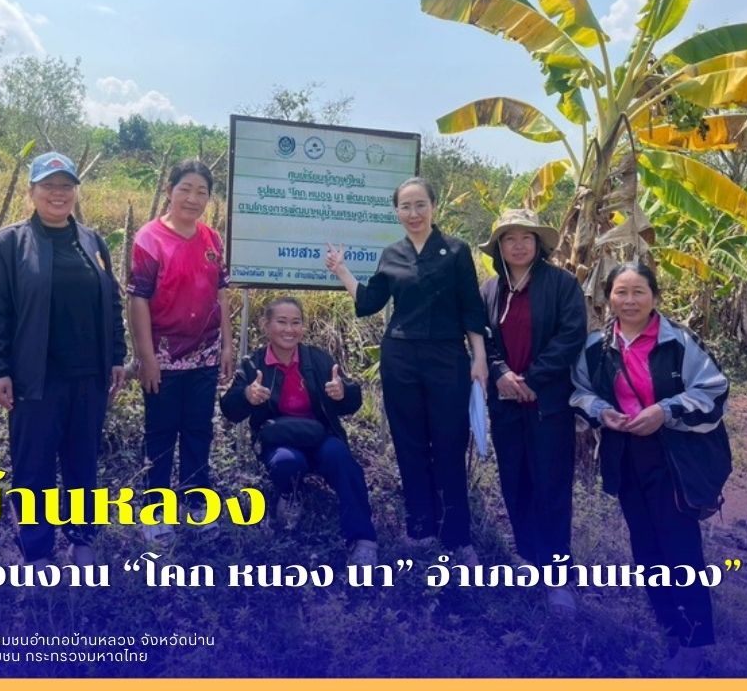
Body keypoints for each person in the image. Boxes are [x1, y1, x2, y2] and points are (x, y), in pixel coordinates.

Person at [571, 262, 731, 676]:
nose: (629, 301)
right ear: (608, 298)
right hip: (626, 454)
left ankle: (697, 641)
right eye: (620, 292)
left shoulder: (678, 342)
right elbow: (580, 390)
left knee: (680, 546)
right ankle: (669, 627)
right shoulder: (597, 346)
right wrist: (603, 412)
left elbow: (714, 388)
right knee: (645, 546)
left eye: (638, 291)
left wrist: (665, 410)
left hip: (671, 455)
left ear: (654, 296)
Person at [325, 177, 487, 563]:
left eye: (420, 205)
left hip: (448, 357)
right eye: (405, 207)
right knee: (409, 442)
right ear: (396, 211)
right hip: (401, 357)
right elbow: (370, 301)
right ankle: (421, 527)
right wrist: (341, 271)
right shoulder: (392, 254)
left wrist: (478, 357)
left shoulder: (456, 251)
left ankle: (458, 536)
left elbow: (471, 309)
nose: (413, 213)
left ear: (433, 206)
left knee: (449, 442)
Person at [0, 151, 126, 567]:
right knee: (34, 467)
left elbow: (111, 303)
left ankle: (82, 540)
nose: (58, 195)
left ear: (76, 193)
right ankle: (38, 550)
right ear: (32, 192)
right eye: (49, 186)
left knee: (83, 461)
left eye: (66, 187)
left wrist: (116, 356)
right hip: (34, 378)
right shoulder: (9, 243)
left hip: (89, 377)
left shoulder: (92, 241)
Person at [478, 208, 586, 616]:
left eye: (526, 237)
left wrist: (532, 380)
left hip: (548, 405)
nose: (518, 244)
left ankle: (558, 578)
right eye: (509, 238)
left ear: (538, 243)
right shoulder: (490, 290)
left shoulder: (562, 285)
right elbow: (480, 338)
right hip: (506, 404)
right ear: (499, 248)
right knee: (516, 482)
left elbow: (572, 334)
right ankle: (528, 559)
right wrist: (502, 373)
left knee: (551, 487)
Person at [220, 297, 378, 565]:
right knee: (286, 462)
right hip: (278, 439)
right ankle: (290, 496)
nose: (289, 329)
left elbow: (353, 399)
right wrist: (247, 394)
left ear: (303, 328)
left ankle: (363, 539)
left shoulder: (318, 359)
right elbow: (230, 409)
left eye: (296, 323)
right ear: (265, 325)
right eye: (281, 322)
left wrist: (341, 393)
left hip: (321, 435)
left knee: (341, 458)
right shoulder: (253, 363)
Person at [127, 159, 234, 540]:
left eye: (201, 191)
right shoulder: (149, 239)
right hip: (164, 358)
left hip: (205, 355)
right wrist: (146, 357)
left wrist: (226, 345)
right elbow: (138, 300)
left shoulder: (212, 239)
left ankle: (195, 501)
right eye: (185, 188)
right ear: (170, 190)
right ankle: (154, 511)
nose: (193, 198)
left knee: (198, 429)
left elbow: (221, 292)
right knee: (160, 431)